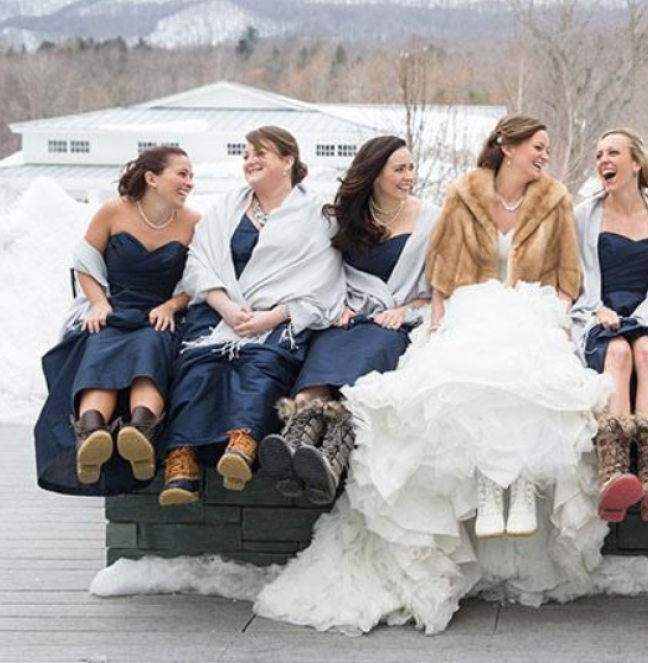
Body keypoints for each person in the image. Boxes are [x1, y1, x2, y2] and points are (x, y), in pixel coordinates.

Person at [254, 115, 611, 636]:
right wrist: (440, 317)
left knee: (529, 372)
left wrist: (551, 316)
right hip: (470, 307)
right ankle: (486, 494)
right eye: (537, 146)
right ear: (507, 148)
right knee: (463, 375)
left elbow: (567, 277)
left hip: (532, 309)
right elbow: (441, 272)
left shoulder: (554, 199)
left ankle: (513, 486)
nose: (544, 155)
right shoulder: (464, 194)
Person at [157, 126, 344, 506]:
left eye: (261, 153)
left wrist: (273, 317)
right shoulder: (228, 207)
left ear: (288, 159)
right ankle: (182, 458)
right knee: (197, 365)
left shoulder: (318, 216)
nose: (250, 161)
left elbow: (323, 278)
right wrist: (224, 304)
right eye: (245, 155)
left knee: (263, 362)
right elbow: (200, 260)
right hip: (221, 311)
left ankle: (242, 443)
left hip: (279, 319)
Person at [258, 136, 436, 504]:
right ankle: (295, 447)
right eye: (399, 169)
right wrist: (334, 304)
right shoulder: (339, 217)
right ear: (373, 174)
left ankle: (326, 458)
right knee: (321, 365)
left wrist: (406, 310)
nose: (409, 176)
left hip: (393, 326)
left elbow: (441, 287)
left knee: (359, 374)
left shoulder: (432, 219)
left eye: (411, 168)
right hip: (345, 319)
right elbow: (319, 271)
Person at [35, 146, 199, 494]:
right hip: (113, 309)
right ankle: (92, 434)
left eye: (191, 175)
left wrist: (171, 306)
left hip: (157, 316)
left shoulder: (194, 222)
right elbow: (84, 262)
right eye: (182, 174)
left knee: (150, 347)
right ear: (152, 178)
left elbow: (201, 279)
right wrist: (97, 304)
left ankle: (140, 430)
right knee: (100, 345)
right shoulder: (113, 211)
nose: (189, 183)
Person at [572, 128, 648, 523]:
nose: (604, 160)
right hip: (600, 315)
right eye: (599, 154)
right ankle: (613, 471)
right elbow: (572, 275)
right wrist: (595, 307)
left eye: (613, 152)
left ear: (636, 163)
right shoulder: (583, 215)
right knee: (617, 353)